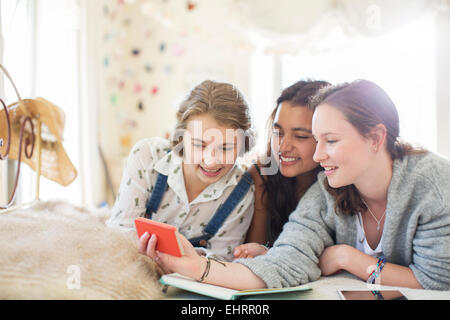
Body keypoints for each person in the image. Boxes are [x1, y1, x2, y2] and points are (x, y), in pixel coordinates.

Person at [138, 79, 450, 291]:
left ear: (376, 138)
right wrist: (198, 269)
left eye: (328, 140)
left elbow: (439, 280)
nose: (316, 153)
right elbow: (286, 263)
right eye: (316, 139)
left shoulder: (431, 183)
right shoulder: (325, 191)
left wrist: (346, 257)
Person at [107, 80, 256, 262]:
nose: (210, 161)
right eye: (199, 145)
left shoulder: (241, 190)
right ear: (181, 138)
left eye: (225, 148)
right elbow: (119, 234)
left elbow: (222, 261)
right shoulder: (148, 156)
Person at [233, 80, 330, 259]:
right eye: (278, 133)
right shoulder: (263, 173)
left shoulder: (342, 181)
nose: (283, 147)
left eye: (300, 136)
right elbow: (252, 253)